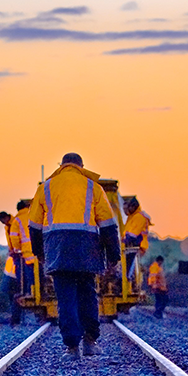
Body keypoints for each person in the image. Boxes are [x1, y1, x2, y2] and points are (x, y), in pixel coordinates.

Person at [29, 152, 121, 360]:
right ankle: (90, 342)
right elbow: (107, 225)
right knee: (88, 295)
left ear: (61, 165)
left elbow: (34, 226)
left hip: (58, 249)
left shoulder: (45, 187)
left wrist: (39, 253)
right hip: (86, 249)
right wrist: (113, 255)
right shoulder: (93, 187)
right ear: (81, 166)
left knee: (66, 298)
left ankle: (72, 348)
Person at [0, 210, 23, 326]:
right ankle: (15, 320)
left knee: (14, 298)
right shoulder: (9, 226)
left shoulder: (14, 223)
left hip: (10, 277)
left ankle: (15, 320)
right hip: (12, 277)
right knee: (16, 297)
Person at [8, 199, 37, 296]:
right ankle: (40, 290)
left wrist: (17, 248)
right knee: (39, 271)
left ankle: (31, 291)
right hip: (38, 249)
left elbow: (14, 237)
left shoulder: (17, 220)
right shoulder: (33, 215)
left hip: (27, 251)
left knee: (29, 273)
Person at [122, 197, 152, 282]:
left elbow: (133, 234)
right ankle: (127, 277)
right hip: (135, 244)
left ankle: (128, 277)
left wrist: (123, 242)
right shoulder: (133, 216)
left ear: (133, 207)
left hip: (138, 244)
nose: (125, 211)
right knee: (127, 261)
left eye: (127, 208)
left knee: (129, 262)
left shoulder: (139, 217)